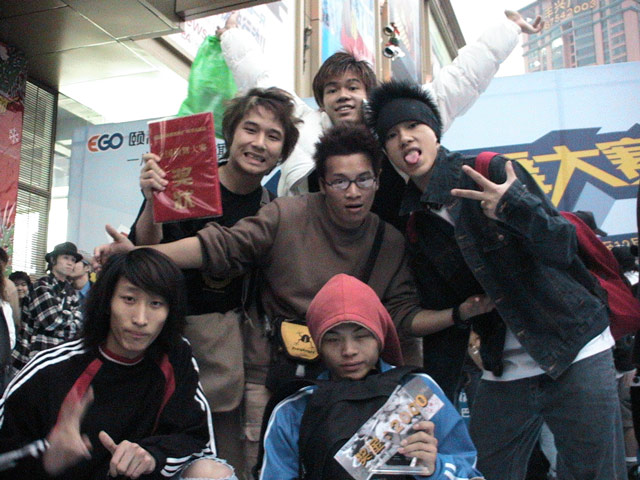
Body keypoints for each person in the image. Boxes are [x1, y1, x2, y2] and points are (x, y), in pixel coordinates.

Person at [95, 124, 492, 475]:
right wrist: (143, 254)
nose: (353, 192)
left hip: (359, 387)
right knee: (258, 464)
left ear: (378, 180)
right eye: (339, 182)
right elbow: (222, 245)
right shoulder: (287, 215)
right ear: (322, 182)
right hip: (276, 375)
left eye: (363, 180)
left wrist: (458, 314)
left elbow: (402, 316)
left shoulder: (389, 241)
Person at [365, 79, 625, 479]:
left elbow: (563, 247)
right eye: (391, 135)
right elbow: (445, 314)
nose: (405, 139)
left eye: (413, 126)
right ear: (387, 153)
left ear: (435, 131)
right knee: (483, 470)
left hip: (574, 347)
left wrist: (514, 207)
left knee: (593, 473)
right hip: (504, 368)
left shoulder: (492, 171)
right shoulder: (417, 225)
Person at [217, 9, 542, 230]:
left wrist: (508, 30)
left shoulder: (396, 125)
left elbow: (458, 81)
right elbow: (260, 78)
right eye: (332, 90)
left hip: (395, 252)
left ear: (368, 93)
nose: (343, 96)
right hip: (319, 247)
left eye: (352, 87)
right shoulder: (303, 125)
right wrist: (232, 37)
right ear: (321, 101)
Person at [128, 86, 300, 477]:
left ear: (282, 152)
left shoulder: (270, 209)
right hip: (164, 340)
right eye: (250, 129)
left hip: (225, 354)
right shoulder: (185, 179)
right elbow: (144, 252)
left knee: (221, 453)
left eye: (273, 136)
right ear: (231, 132)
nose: (259, 143)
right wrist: (152, 199)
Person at [0, 248, 236, 480]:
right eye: (129, 299)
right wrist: (47, 457)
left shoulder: (175, 356)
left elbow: (198, 442)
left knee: (212, 473)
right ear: (107, 301)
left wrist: (152, 456)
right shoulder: (52, 370)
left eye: (155, 303)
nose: (140, 319)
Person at [259, 273, 484, 480]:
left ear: (380, 337)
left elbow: (469, 471)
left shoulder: (417, 391)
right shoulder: (297, 407)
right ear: (318, 345)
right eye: (333, 339)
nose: (349, 350)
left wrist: (435, 468)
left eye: (361, 336)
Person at [11, 242, 84, 375]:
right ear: (53, 260)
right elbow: (52, 322)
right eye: (65, 258)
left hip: (58, 358)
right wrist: (70, 317)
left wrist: (64, 317)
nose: (70, 263)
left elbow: (79, 324)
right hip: (31, 358)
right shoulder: (41, 286)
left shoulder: (71, 290)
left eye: (73, 260)